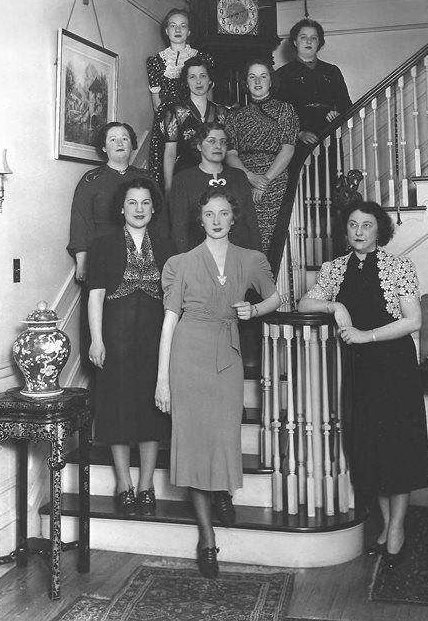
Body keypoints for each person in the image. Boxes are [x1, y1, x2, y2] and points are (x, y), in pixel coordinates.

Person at [297, 201, 428, 568]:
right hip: (358, 370)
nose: (359, 231)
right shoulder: (334, 269)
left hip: (394, 368)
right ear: (346, 230)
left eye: (367, 225)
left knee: (398, 449)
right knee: (369, 448)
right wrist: (335, 308)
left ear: (379, 231)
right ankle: (386, 524)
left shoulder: (399, 266)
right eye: (353, 224)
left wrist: (365, 335)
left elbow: (414, 321)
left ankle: (397, 527)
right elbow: (304, 302)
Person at [155, 187, 281, 578]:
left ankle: (223, 491)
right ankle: (207, 537)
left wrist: (253, 308)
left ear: (233, 218)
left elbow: (275, 298)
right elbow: (169, 321)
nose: (215, 220)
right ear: (201, 219)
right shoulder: (181, 263)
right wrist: (162, 380)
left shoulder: (252, 259)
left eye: (223, 213)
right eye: (209, 213)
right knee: (192, 444)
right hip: (187, 355)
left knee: (224, 435)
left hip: (227, 357)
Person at [87, 177, 174, 516]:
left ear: (153, 208)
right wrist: (97, 339)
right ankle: (124, 482)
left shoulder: (168, 248)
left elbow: (174, 303)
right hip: (115, 338)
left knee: (151, 411)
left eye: (145, 203)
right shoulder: (103, 245)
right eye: (132, 203)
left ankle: (147, 483)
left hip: (154, 341)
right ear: (121, 208)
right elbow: (95, 296)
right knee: (117, 409)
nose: (139, 209)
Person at [67, 122, 154, 365]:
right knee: (103, 322)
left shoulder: (145, 179)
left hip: (140, 256)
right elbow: (80, 220)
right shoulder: (91, 180)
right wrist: (82, 258)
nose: (119, 143)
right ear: (103, 147)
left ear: (132, 145)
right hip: (102, 258)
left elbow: (159, 221)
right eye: (113, 139)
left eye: (124, 138)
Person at [225, 59, 299, 253]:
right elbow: (231, 154)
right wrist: (249, 176)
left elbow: (288, 149)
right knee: (242, 236)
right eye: (252, 76)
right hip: (243, 178)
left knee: (271, 236)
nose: (258, 81)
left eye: (263, 76)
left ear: (271, 81)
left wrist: (264, 180)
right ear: (246, 83)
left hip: (274, 177)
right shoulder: (235, 116)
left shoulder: (285, 110)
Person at [147, 8, 214, 190]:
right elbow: (156, 101)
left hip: (194, 120)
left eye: (183, 26)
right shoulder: (156, 62)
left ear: (189, 31)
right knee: (165, 171)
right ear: (166, 31)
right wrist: (166, 123)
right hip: (167, 123)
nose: (178, 30)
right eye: (173, 26)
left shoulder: (202, 58)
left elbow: (207, 95)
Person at [169, 122, 261, 253]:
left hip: (239, 256)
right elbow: (179, 229)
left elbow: (251, 223)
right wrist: (184, 264)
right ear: (199, 145)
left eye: (223, 142)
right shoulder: (183, 180)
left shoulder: (239, 177)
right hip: (200, 258)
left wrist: (258, 261)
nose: (218, 146)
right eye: (211, 141)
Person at [276, 17, 352, 145]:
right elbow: (278, 112)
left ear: (319, 43)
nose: (309, 41)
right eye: (303, 37)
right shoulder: (282, 74)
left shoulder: (332, 71)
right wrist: (299, 134)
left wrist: (338, 114)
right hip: (297, 140)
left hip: (329, 135)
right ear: (295, 42)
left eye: (314, 38)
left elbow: (346, 105)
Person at [161, 57, 229, 194]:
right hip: (185, 177)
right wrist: (168, 188)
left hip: (216, 177)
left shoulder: (222, 112)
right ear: (186, 82)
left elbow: (228, 151)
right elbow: (170, 153)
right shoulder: (175, 111)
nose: (198, 81)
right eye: (192, 77)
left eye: (203, 76)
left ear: (210, 80)